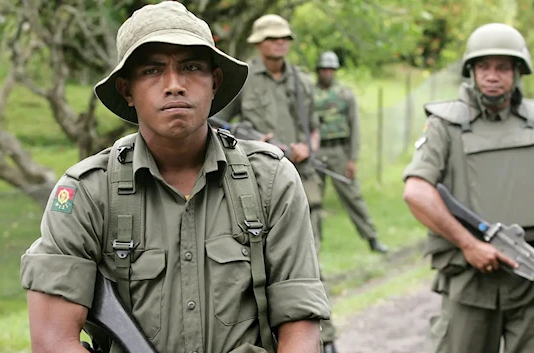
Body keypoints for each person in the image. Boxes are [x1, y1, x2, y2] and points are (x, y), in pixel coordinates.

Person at [20, 2, 331, 353]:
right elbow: (52, 340)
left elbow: (300, 326)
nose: (174, 85)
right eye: (153, 70)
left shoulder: (270, 180)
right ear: (126, 89)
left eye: (191, 67)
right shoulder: (87, 193)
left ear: (214, 82)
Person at [403, 23, 534, 353]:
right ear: (471, 71)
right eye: (483, 66)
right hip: (470, 281)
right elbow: (417, 191)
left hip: (529, 282)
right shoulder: (445, 125)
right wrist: (468, 244)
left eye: (502, 67)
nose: (492, 75)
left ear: (518, 71)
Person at [217, 14, 338, 353]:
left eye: (284, 37)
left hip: (302, 178)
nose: (279, 42)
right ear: (258, 43)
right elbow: (218, 119)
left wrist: (306, 147)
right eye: (272, 38)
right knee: (255, 265)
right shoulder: (242, 80)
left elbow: (314, 126)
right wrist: (251, 138)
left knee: (307, 263)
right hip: (254, 181)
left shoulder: (301, 81)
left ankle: (323, 338)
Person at [314, 51, 388, 254]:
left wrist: (352, 158)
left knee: (353, 196)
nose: (327, 73)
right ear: (318, 71)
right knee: (311, 202)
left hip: (339, 150)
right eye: (324, 69)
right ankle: (312, 248)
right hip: (316, 152)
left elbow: (354, 126)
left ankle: (372, 238)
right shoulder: (308, 93)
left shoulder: (345, 94)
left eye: (330, 69)